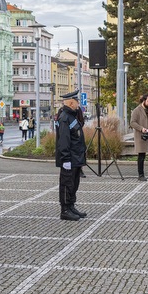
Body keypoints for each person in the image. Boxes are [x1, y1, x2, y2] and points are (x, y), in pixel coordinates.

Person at [55, 90, 87, 220]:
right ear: (71, 103)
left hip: (76, 157)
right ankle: (65, 210)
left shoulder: (72, 115)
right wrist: (65, 159)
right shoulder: (64, 117)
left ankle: (71, 205)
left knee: (74, 183)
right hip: (69, 158)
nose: (78, 104)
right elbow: (63, 141)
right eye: (77, 102)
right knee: (66, 183)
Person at [130, 93, 148, 180]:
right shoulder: (137, 110)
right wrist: (141, 128)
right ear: (144, 101)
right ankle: (141, 175)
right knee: (142, 155)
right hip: (142, 136)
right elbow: (132, 122)